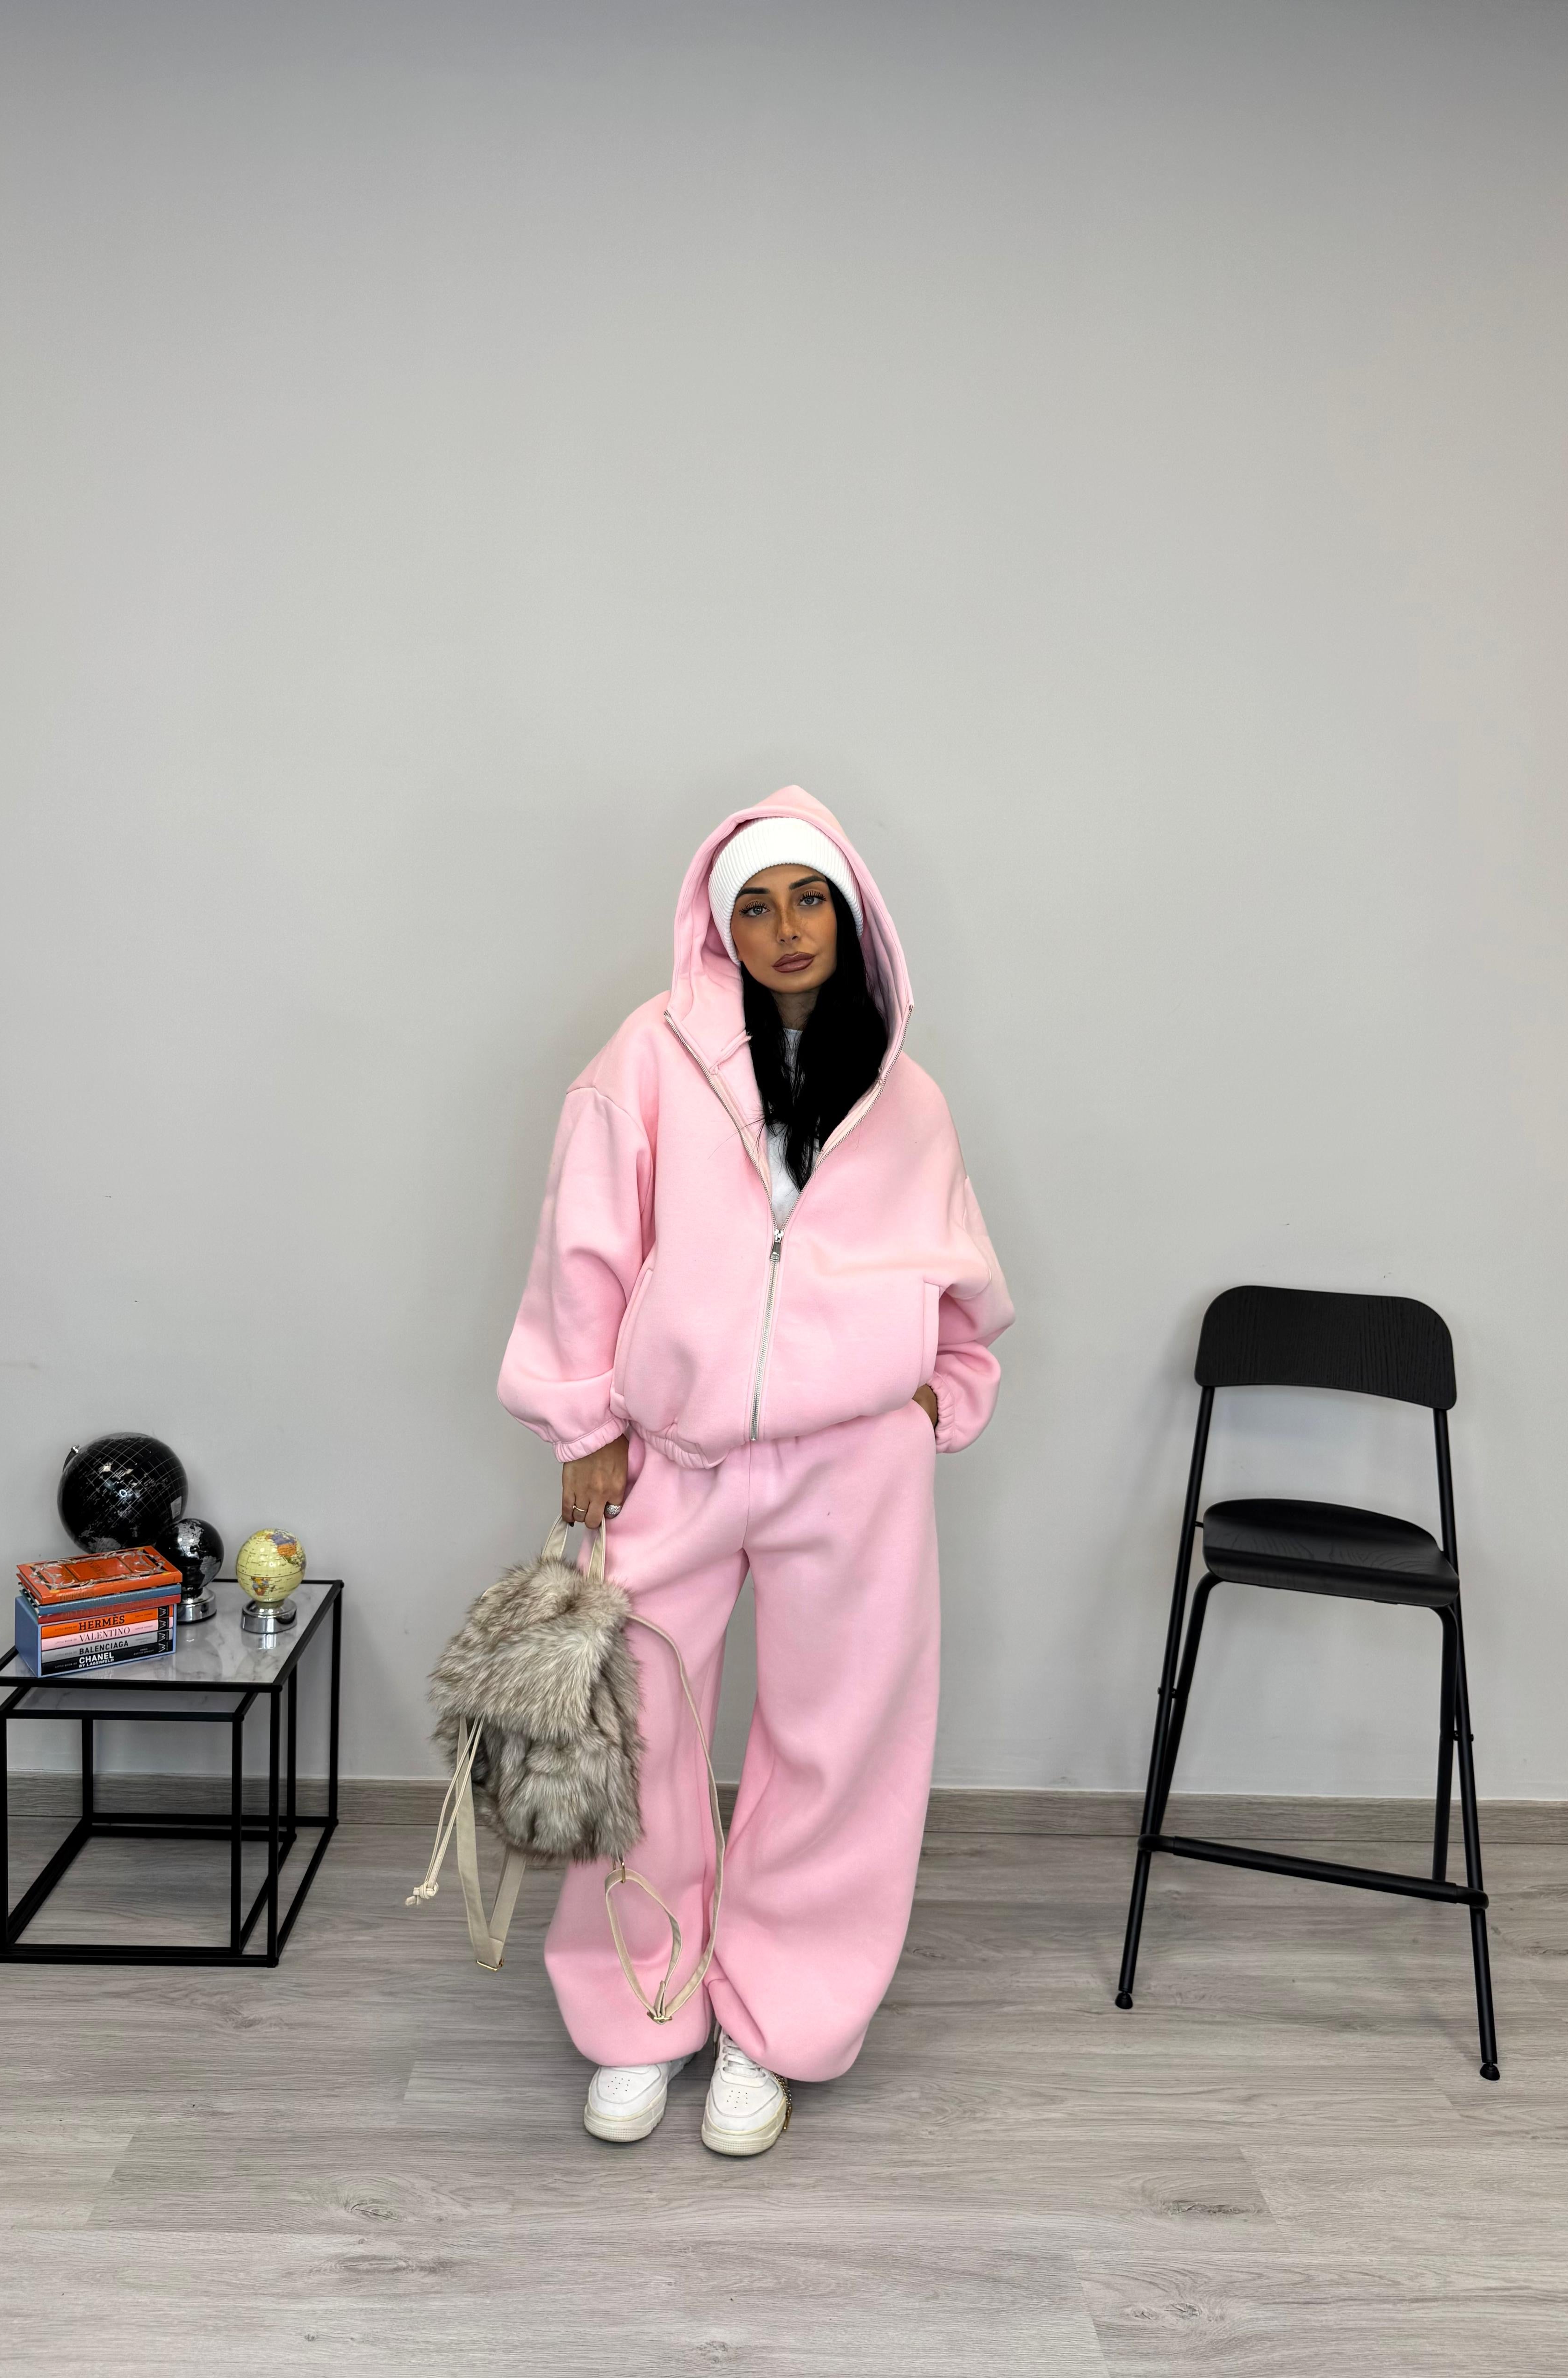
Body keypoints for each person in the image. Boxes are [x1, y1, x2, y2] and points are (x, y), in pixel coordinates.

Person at [497, 786, 1014, 2155]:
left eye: (809, 901)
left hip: (854, 1468)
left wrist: (930, 1398)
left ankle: (773, 2023)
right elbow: (585, 1242)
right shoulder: (648, 1058)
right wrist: (583, 1427)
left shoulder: (906, 1096)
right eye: (757, 907)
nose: (787, 929)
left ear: (849, 917)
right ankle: (639, 2010)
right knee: (639, 1734)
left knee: (841, 1748)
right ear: (720, 928)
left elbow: (959, 1272)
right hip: (678, 1454)